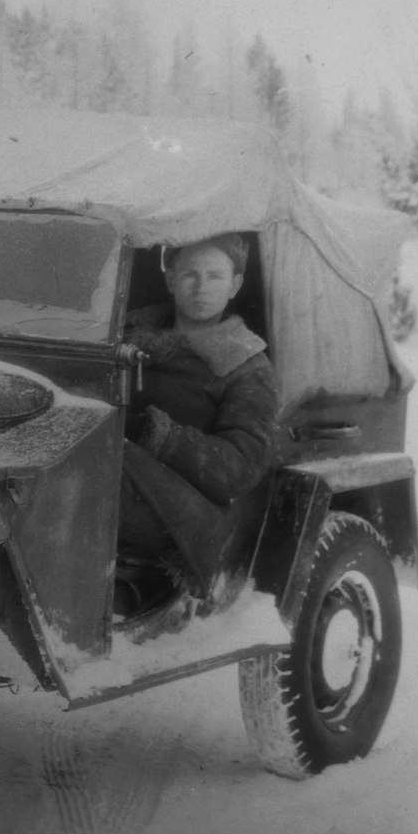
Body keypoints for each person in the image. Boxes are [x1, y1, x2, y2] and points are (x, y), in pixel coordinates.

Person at [115, 233, 280, 618]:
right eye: (189, 274)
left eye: (215, 276)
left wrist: (160, 435)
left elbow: (239, 469)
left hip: (188, 515)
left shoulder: (246, 365)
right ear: (170, 279)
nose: (201, 288)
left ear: (235, 285)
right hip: (121, 480)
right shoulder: (125, 337)